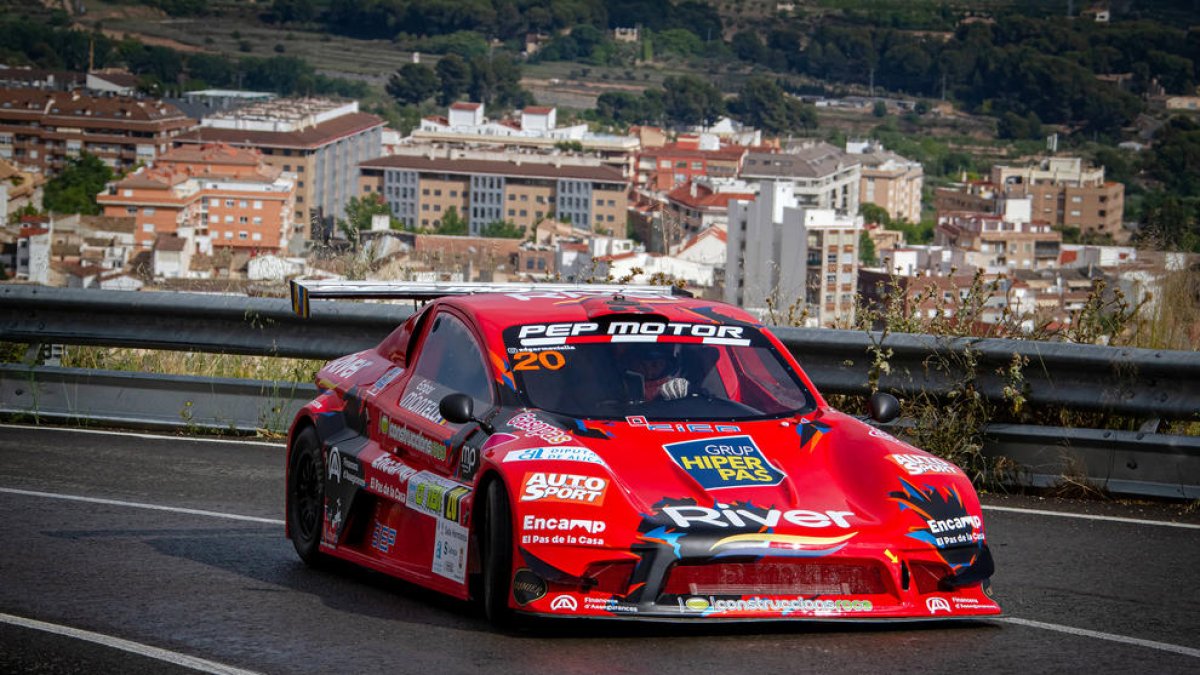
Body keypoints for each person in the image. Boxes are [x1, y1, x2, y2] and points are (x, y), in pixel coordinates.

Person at [621, 343, 690, 401]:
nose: (649, 371)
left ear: (667, 364)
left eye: (655, 365)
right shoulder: (619, 385)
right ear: (631, 363)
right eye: (642, 365)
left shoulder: (674, 389)